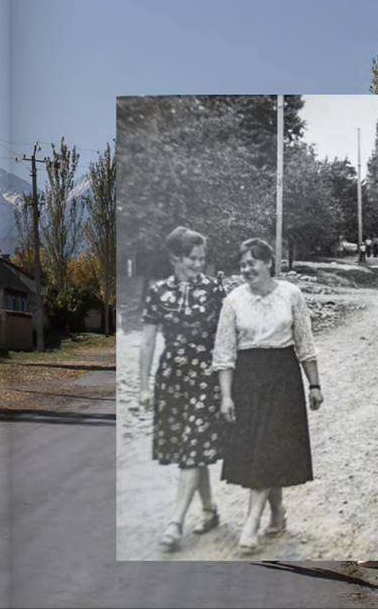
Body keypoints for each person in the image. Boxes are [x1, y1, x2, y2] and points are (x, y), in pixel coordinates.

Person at [211, 237, 323, 555]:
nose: (247, 269)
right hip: (247, 379)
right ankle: (277, 512)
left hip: (283, 377)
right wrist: (226, 396)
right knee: (260, 448)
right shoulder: (233, 300)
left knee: (268, 445)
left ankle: (251, 523)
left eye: (252, 262)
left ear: (268, 262)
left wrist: (314, 384)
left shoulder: (291, 294)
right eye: (243, 264)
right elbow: (224, 352)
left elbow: (304, 342)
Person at [137, 226, 224, 552]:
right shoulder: (158, 292)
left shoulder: (215, 290)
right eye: (193, 259)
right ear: (175, 257)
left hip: (205, 377)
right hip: (171, 378)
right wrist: (142, 388)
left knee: (193, 447)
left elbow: (228, 335)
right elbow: (147, 343)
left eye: (202, 259)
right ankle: (210, 509)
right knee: (192, 450)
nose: (199, 265)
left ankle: (175, 522)